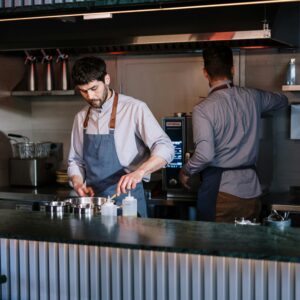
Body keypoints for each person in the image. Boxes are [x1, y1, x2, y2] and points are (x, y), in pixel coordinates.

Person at [179, 45, 288, 223]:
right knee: (245, 248)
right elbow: (282, 101)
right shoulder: (254, 97)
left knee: (214, 249)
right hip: (252, 193)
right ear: (233, 69)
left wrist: (186, 170)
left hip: (221, 194)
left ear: (205, 73)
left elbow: (205, 155)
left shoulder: (203, 109)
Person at [68, 56, 174, 217]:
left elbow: (165, 147)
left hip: (127, 201)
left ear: (107, 79)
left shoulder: (134, 108)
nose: (90, 96)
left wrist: (140, 172)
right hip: (93, 204)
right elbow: (75, 160)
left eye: (94, 88)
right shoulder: (81, 117)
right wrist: (77, 182)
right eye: (83, 91)